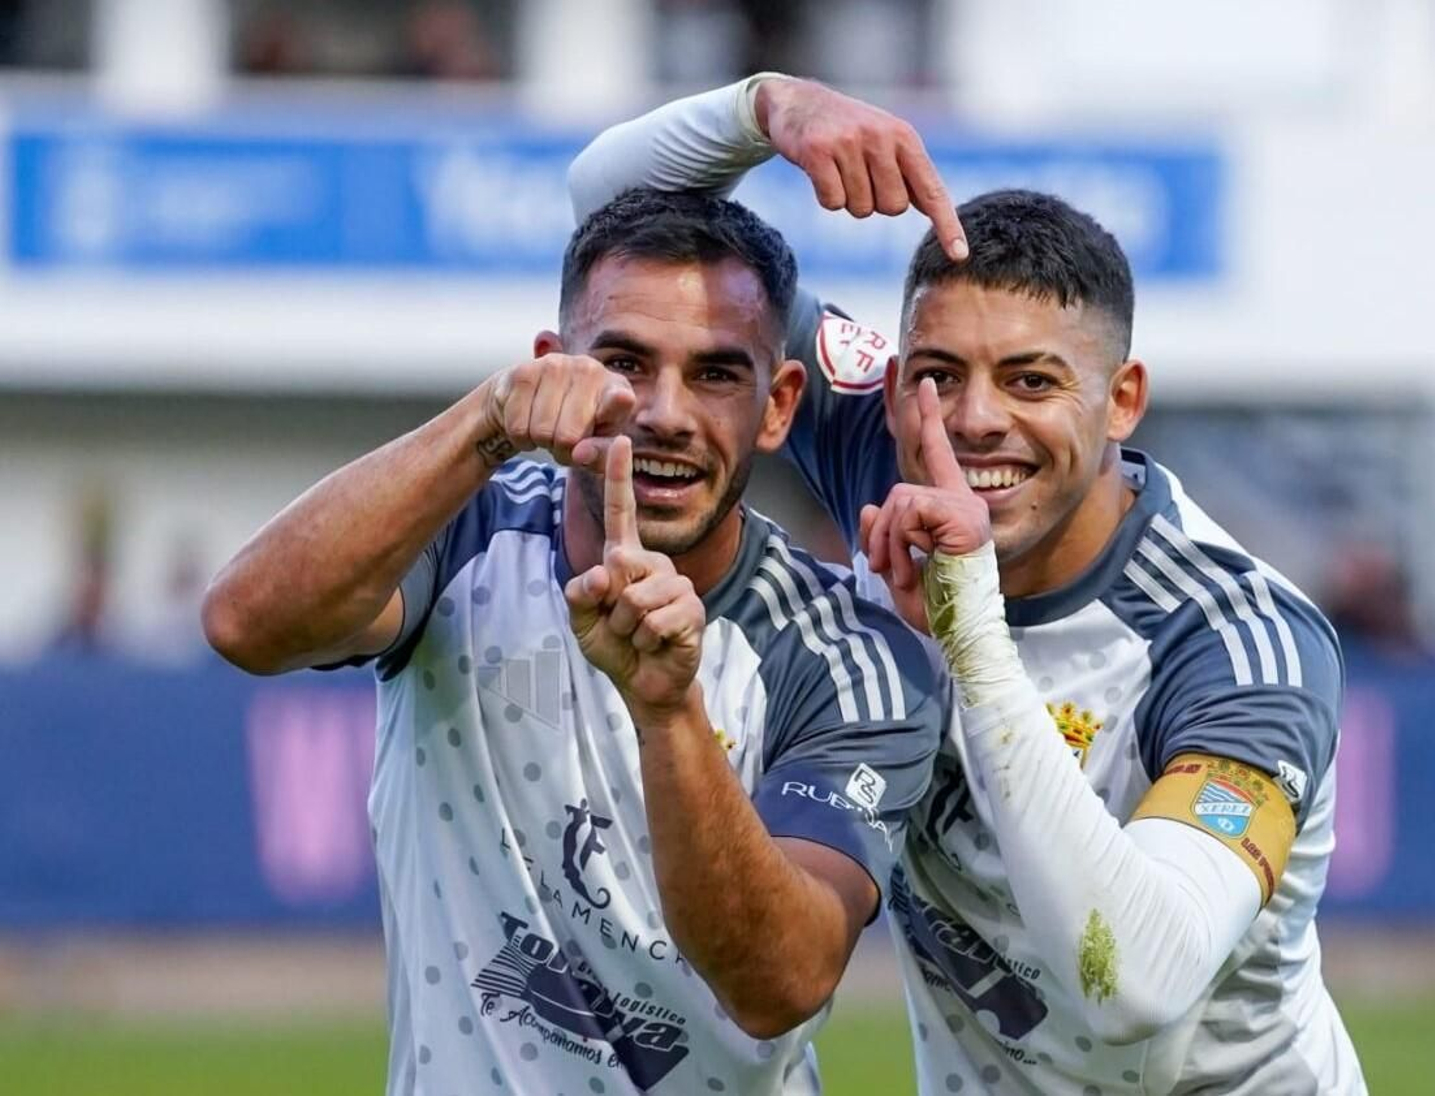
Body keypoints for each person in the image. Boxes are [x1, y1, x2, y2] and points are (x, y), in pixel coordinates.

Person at [570, 77, 1367, 1094]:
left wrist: (968, 627)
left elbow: (1133, 983)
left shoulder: (1236, 643)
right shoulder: (901, 443)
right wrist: (763, 112)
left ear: (1121, 399)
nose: (976, 420)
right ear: (897, 382)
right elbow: (610, 215)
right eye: (939, 374)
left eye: (1033, 382)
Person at [202, 187, 942, 1095]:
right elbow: (246, 624)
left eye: (716, 373)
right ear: (554, 366)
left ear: (781, 403)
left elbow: (778, 983)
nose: (665, 411)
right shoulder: (462, 537)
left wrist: (667, 712)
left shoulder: (854, 656)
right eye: (625, 362)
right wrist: (483, 425)